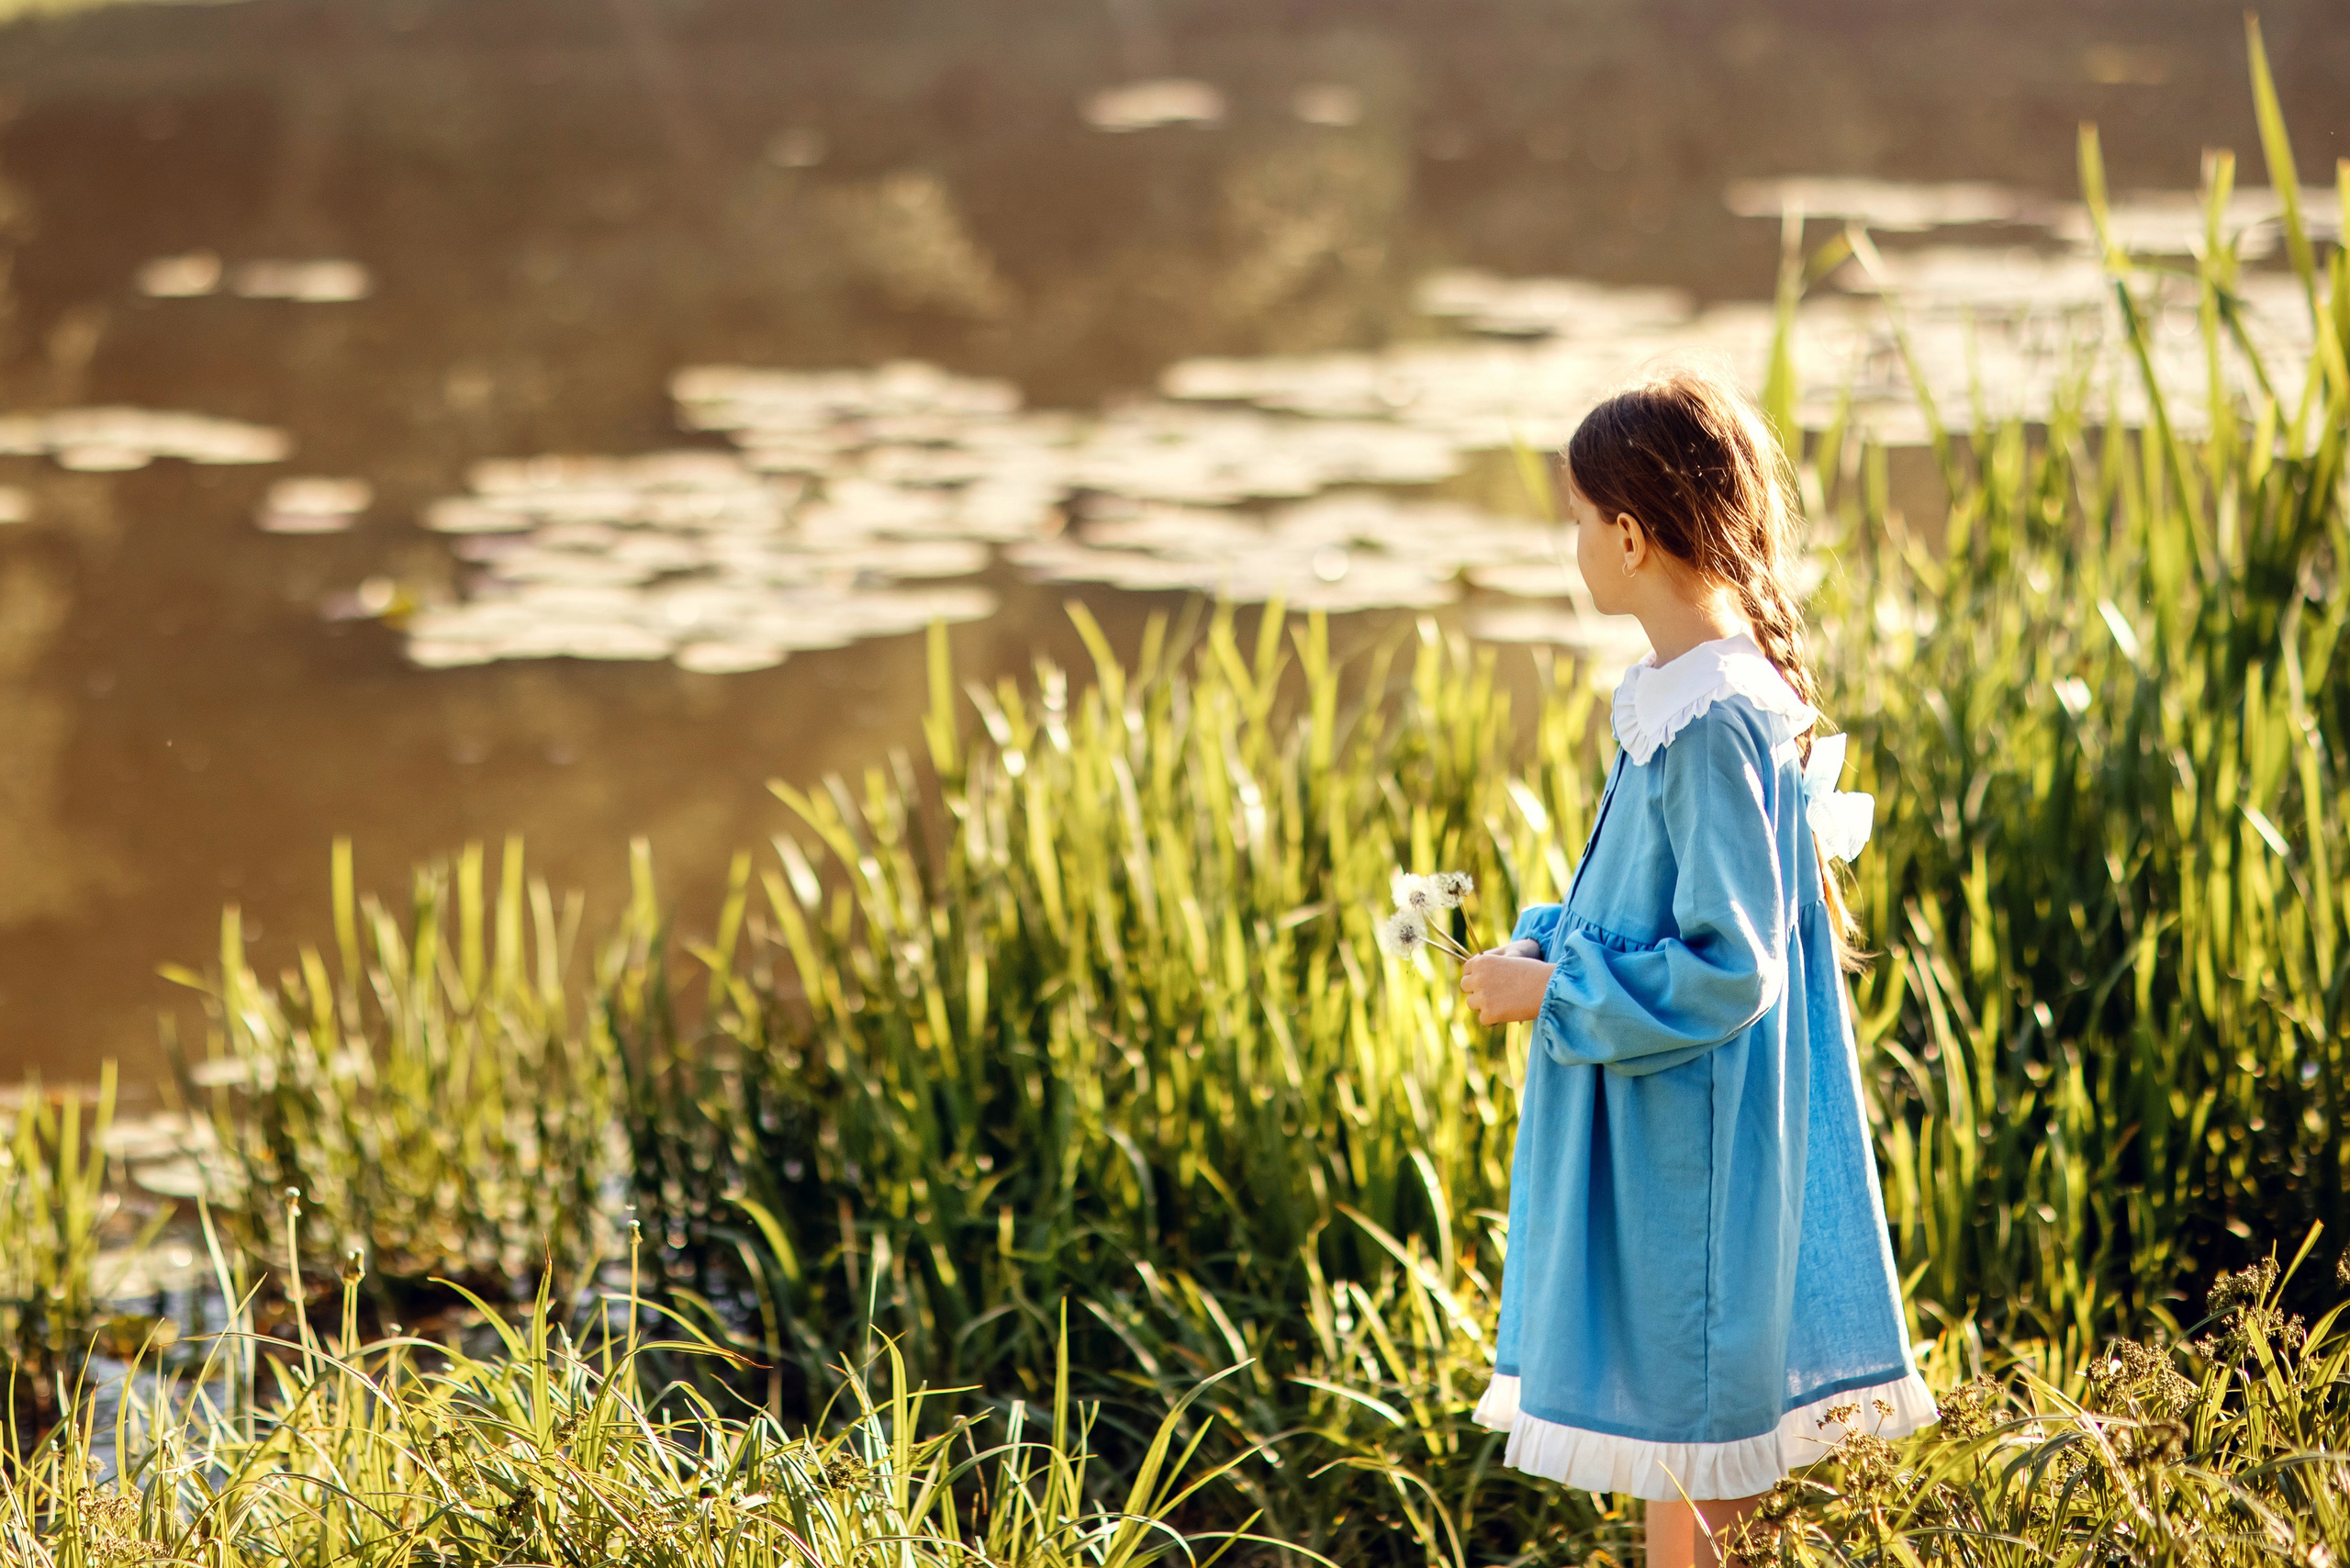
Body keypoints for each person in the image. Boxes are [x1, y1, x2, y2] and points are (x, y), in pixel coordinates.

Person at [1458, 363, 1933, 1568]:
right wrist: (1549, 940)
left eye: (1576, 523)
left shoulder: (1716, 716)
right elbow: (1656, 907)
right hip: (1674, 1135)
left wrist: (1553, 994)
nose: (1572, 547)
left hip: (1697, 1153)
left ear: (1628, 535)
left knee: (1699, 1451)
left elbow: (1729, 970)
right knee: (1687, 1450)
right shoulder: (1682, 698)